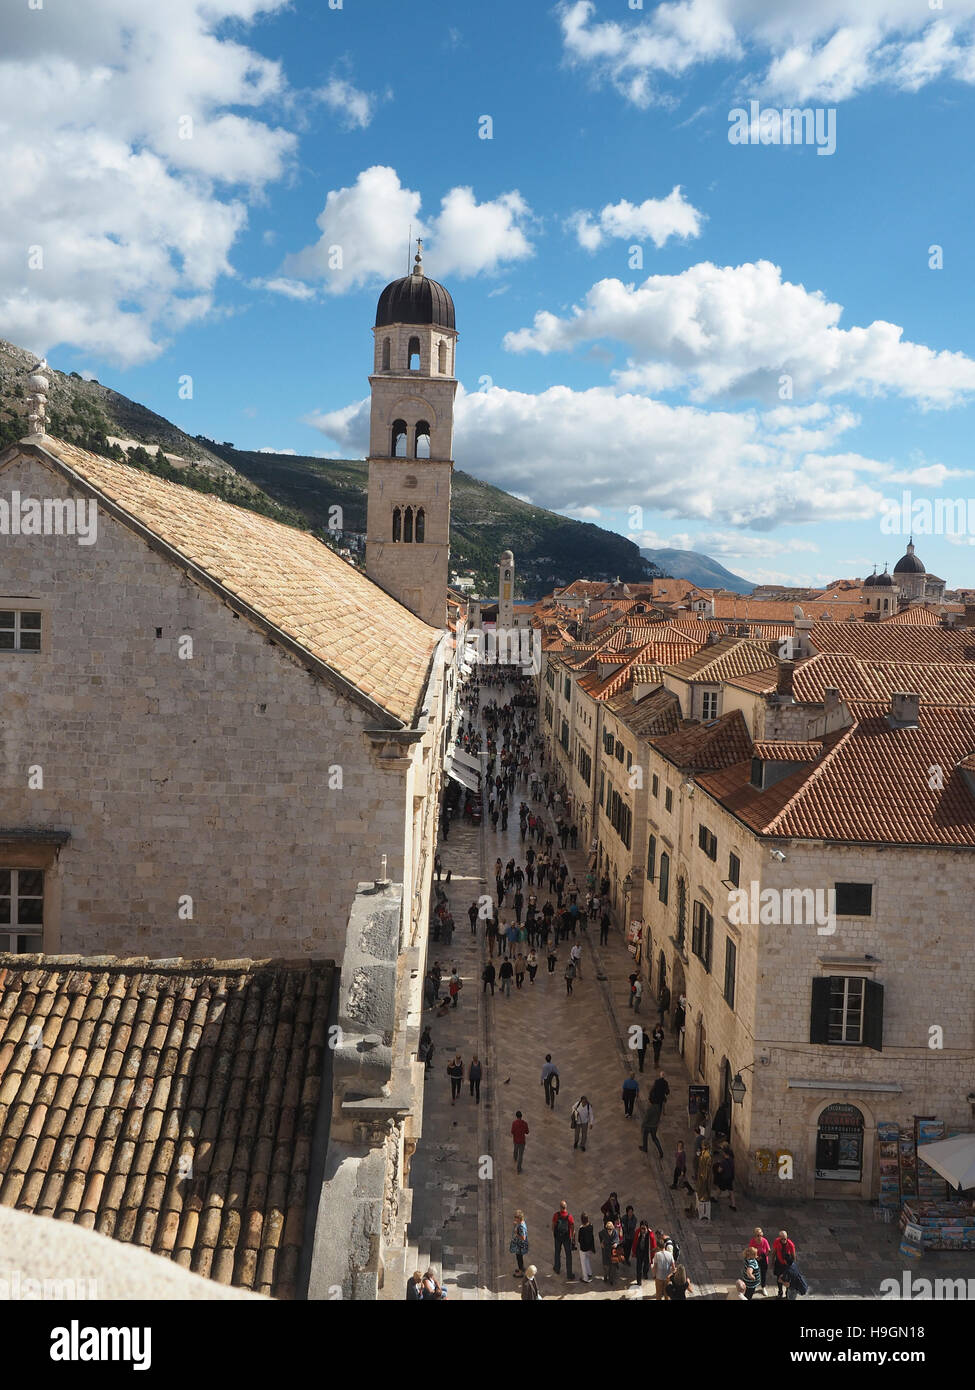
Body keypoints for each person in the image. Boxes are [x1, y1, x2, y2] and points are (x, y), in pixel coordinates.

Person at [552, 1201, 576, 1279]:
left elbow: (553, 1226)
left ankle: (557, 1268)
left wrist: (555, 1234)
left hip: (558, 1238)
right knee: (568, 1255)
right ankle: (569, 1274)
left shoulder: (556, 1215)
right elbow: (572, 1229)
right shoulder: (570, 1217)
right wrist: (573, 1238)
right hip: (567, 1238)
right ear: (566, 1207)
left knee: (557, 1252)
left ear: (560, 1207)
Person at [773, 1231, 797, 1297]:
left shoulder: (790, 1244)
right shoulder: (776, 1241)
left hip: (787, 1264)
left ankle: (787, 1292)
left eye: (785, 1239)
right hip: (779, 1263)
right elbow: (774, 1251)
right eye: (782, 1239)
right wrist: (772, 1261)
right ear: (779, 1238)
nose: (784, 1240)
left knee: (787, 1279)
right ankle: (780, 1292)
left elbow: (793, 1255)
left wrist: (792, 1266)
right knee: (779, 1278)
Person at [713, 1143, 737, 1211]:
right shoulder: (732, 1159)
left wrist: (718, 1164)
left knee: (720, 1188)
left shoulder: (723, 1162)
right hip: (730, 1178)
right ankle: (733, 1205)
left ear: (725, 1153)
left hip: (724, 1178)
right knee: (731, 1191)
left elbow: (719, 1170)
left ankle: (715, 1199)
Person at [632, 1221, 655, 1286]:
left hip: (647, 1253)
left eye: (644, 1229)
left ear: (647, 1228)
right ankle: (639, 1281)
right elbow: (635, 1242)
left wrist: (652, 1256)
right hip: (639, 1252)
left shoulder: (651, 1235)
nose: (643, 1230)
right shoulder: (638, 1232)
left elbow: (653, 1246)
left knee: (646, 1265)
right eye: (641, 1228)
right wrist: (634, 1252)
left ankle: (645, 1273)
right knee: (638, 1267)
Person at [750, 1227, 771, 1295]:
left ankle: (763, 1287)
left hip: (763, 1259)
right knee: (754, 1273)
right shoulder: (752, 1241)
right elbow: (751, 1251)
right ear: (755, 1236)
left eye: (761, 1235)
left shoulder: (764, 1241)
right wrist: (756, 1257)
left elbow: (768, 1250)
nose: (760, 1237)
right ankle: (753, 1287)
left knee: (763, 1274)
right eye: (758, 1235)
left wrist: (762, 1257)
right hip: (755, 1258)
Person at [598, 1220, 619, 1285]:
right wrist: (601, 1242)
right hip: (605, 1251)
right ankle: (605, 1276)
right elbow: (600, 1234)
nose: (609, 1230)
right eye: (608, 1229)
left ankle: (611, 1279)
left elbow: (617, 1239)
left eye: (610, 1229)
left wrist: (616, 1243)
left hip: (613, 1251)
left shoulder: (615, 1232)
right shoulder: (603, 1232)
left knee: (613, 1267)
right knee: (606, 1266)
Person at [509, 1210, 529, 1276]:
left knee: (519, 1258)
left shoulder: (521, 1227)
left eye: (516, 1217)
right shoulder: (521, 1223)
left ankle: (520, 1272)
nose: (514, 1218)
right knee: (519, 1257)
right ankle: (522, 1268)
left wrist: (516, 1234)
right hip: (520, 1245)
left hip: (520, 1246)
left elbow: (523, 1237)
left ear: (519, 1218)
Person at [577, 1212, 596, 1283]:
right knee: (587, 1259)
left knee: (583, 1263)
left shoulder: (581, 1229)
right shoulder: (591, 1225)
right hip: (589, 1247)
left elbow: (579, 1239)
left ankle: (585, 1278)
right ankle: (590, 1272)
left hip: (583, 1248)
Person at [696, 1142, 713, 1220]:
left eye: (703, 1145)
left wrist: (704, 1175)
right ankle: (701, 1195)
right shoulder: (703, 1153)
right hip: (701, 1173)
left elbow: (708, 1167)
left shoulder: (707, 1156)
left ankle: (704, 1196)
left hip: (705, 1175)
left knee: (704, 1186)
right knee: (700, 1186)